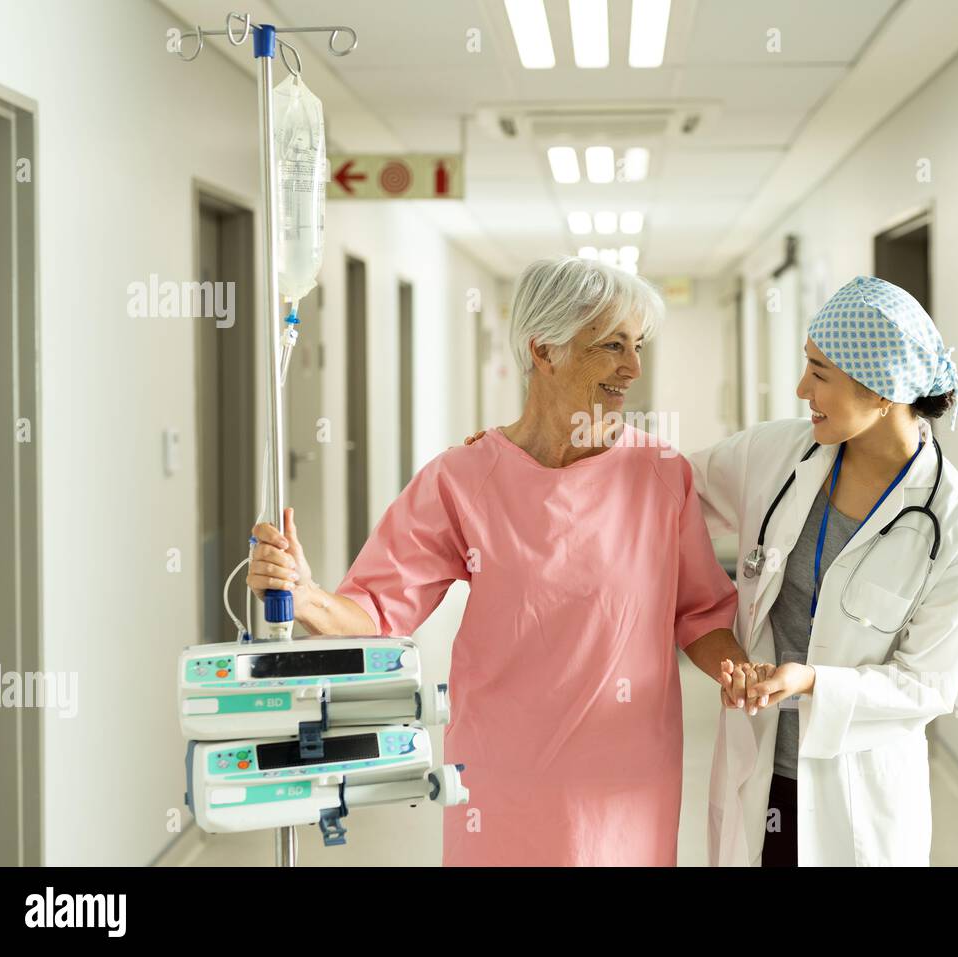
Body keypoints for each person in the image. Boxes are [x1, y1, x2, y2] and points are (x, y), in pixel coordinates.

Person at [247, 256, 744, 866]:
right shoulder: (464, 479)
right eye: (613, 345)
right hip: (501, 775)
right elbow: (378, 610)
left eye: (637, 346)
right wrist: (306, 596)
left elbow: (700, 612)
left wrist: (738, 670)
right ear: (544, 350)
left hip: (623, 775)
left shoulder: (661, 475)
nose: (633, 368)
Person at [691, 275, 958, 866]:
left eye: (820, 373)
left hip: (857, 792)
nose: (802, 387)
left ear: (883, 390)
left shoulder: (956, 532)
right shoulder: (778, 454)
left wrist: (812, 683)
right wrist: (532, 447)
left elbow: (926, 685)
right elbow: (665, 488)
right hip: (759, 768)